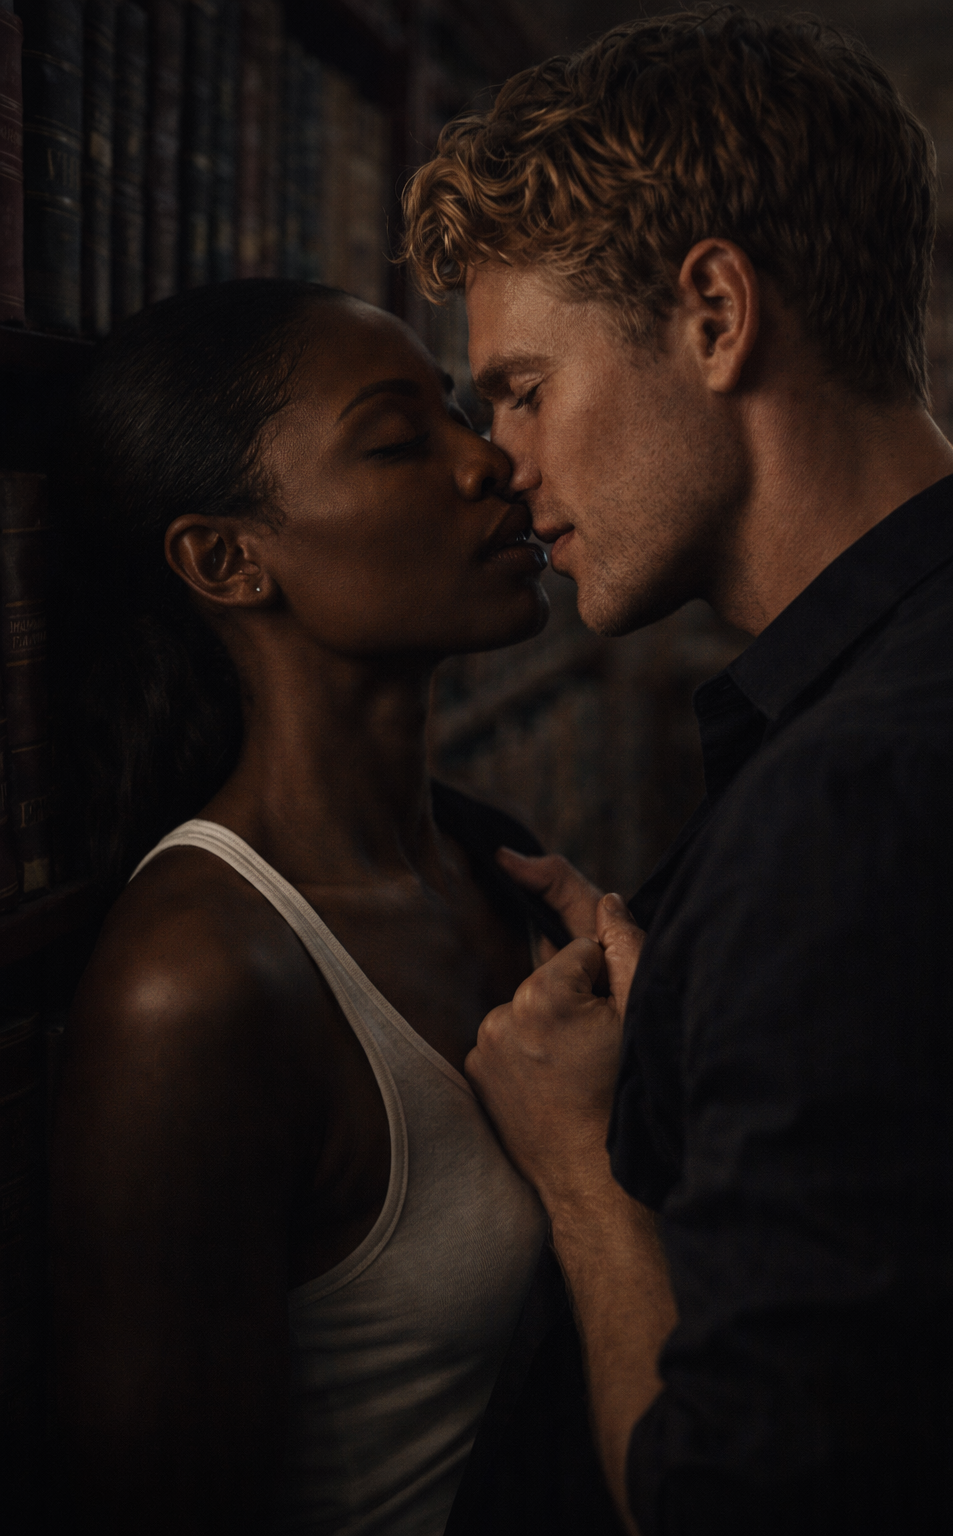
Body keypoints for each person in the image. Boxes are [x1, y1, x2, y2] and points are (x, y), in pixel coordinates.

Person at [402, 7, 953, 1534]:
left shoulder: (845, 809)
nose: (505, 467)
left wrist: (579, 1171)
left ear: (715, 314)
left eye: (527, 390)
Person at [48, 279, 619, 1536]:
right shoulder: (197, 984)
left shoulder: (501, 865)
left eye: (464, 415)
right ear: (228, 559)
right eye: (401, 439)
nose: (494, 463)